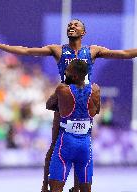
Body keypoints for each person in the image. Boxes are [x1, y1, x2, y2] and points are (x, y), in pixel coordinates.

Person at [0, 19, 137, 192]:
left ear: (84, 32)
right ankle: (44, 186)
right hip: (64, 104)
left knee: (81, 149)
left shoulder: (92, 51)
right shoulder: (58, 50)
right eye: (69, 25)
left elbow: (123, 54)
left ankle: (77, 186)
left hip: (84, 102)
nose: (71, 26)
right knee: (54, 147)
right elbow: (27, 51)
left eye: (76, 25)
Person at [46, 59, 100, 192]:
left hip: (66, 144)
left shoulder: (62, 90)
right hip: (85, 145)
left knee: (55, 190)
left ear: (74, 76)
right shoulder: (95, 90)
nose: (65, 72)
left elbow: (49, 105)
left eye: (68, 70)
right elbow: (97, 111)